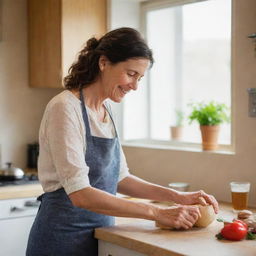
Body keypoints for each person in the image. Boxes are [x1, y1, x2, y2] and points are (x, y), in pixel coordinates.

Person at [26, 27, 218, 256]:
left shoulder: (107, 111)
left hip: (102, 236)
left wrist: (177, 197)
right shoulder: (64, 108)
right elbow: (80, 194)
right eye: (130, 74)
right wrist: (156, 213)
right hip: (61, 240)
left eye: (140, 77)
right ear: (104, 62)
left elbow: (120, 178)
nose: (135, 86)